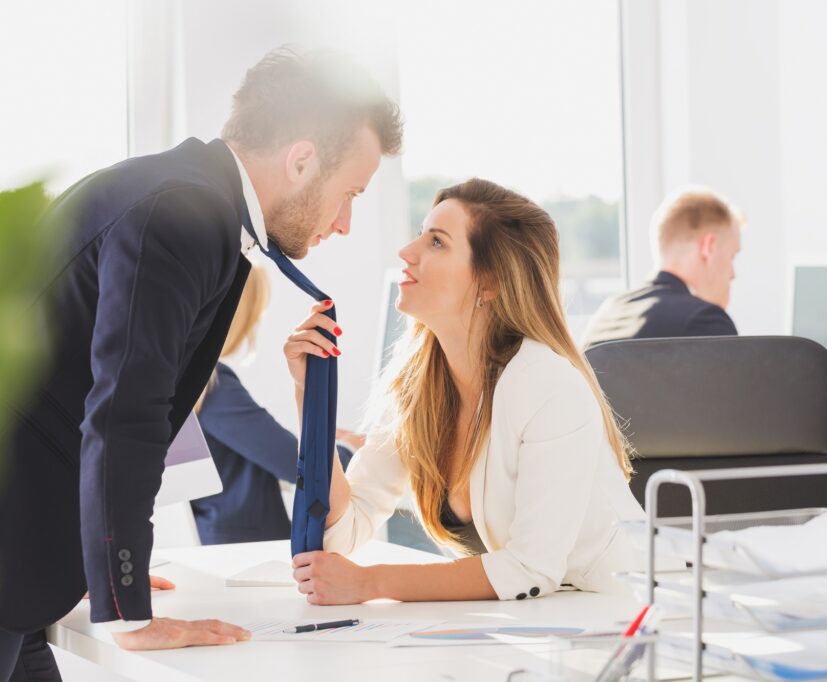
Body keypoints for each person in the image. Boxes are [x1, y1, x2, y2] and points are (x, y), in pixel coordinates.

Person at [0, 46, 401, 678]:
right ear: (301, 161)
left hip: (24, 567)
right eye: (349, 192)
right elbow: (124, 413)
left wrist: (98, 567)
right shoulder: (182, 214)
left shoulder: (177, 194)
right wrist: (126, 608)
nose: (346, 222)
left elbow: (66, 394)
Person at [285, 178, 645, 605]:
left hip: (625, 613)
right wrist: (311, 396)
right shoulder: (417, 386)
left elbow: (530, 569)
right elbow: (343, 531)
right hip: (541, 621)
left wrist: (371, 582)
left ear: (489, 282)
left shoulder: (546, 384)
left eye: (436, 242)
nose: (407, 252)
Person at [582, 187, 827, 447]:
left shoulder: (608, 313)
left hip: (633, 511)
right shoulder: (701, 320)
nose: (733, 275)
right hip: (700, 508)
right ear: (708, 247)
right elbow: (766, 418)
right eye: (733, 257)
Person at [190, 266, 361, 545]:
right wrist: (352, 450)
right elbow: (292, 463)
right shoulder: (214, 386)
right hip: (246, 547)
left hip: (222, 536)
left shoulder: (194, 381)